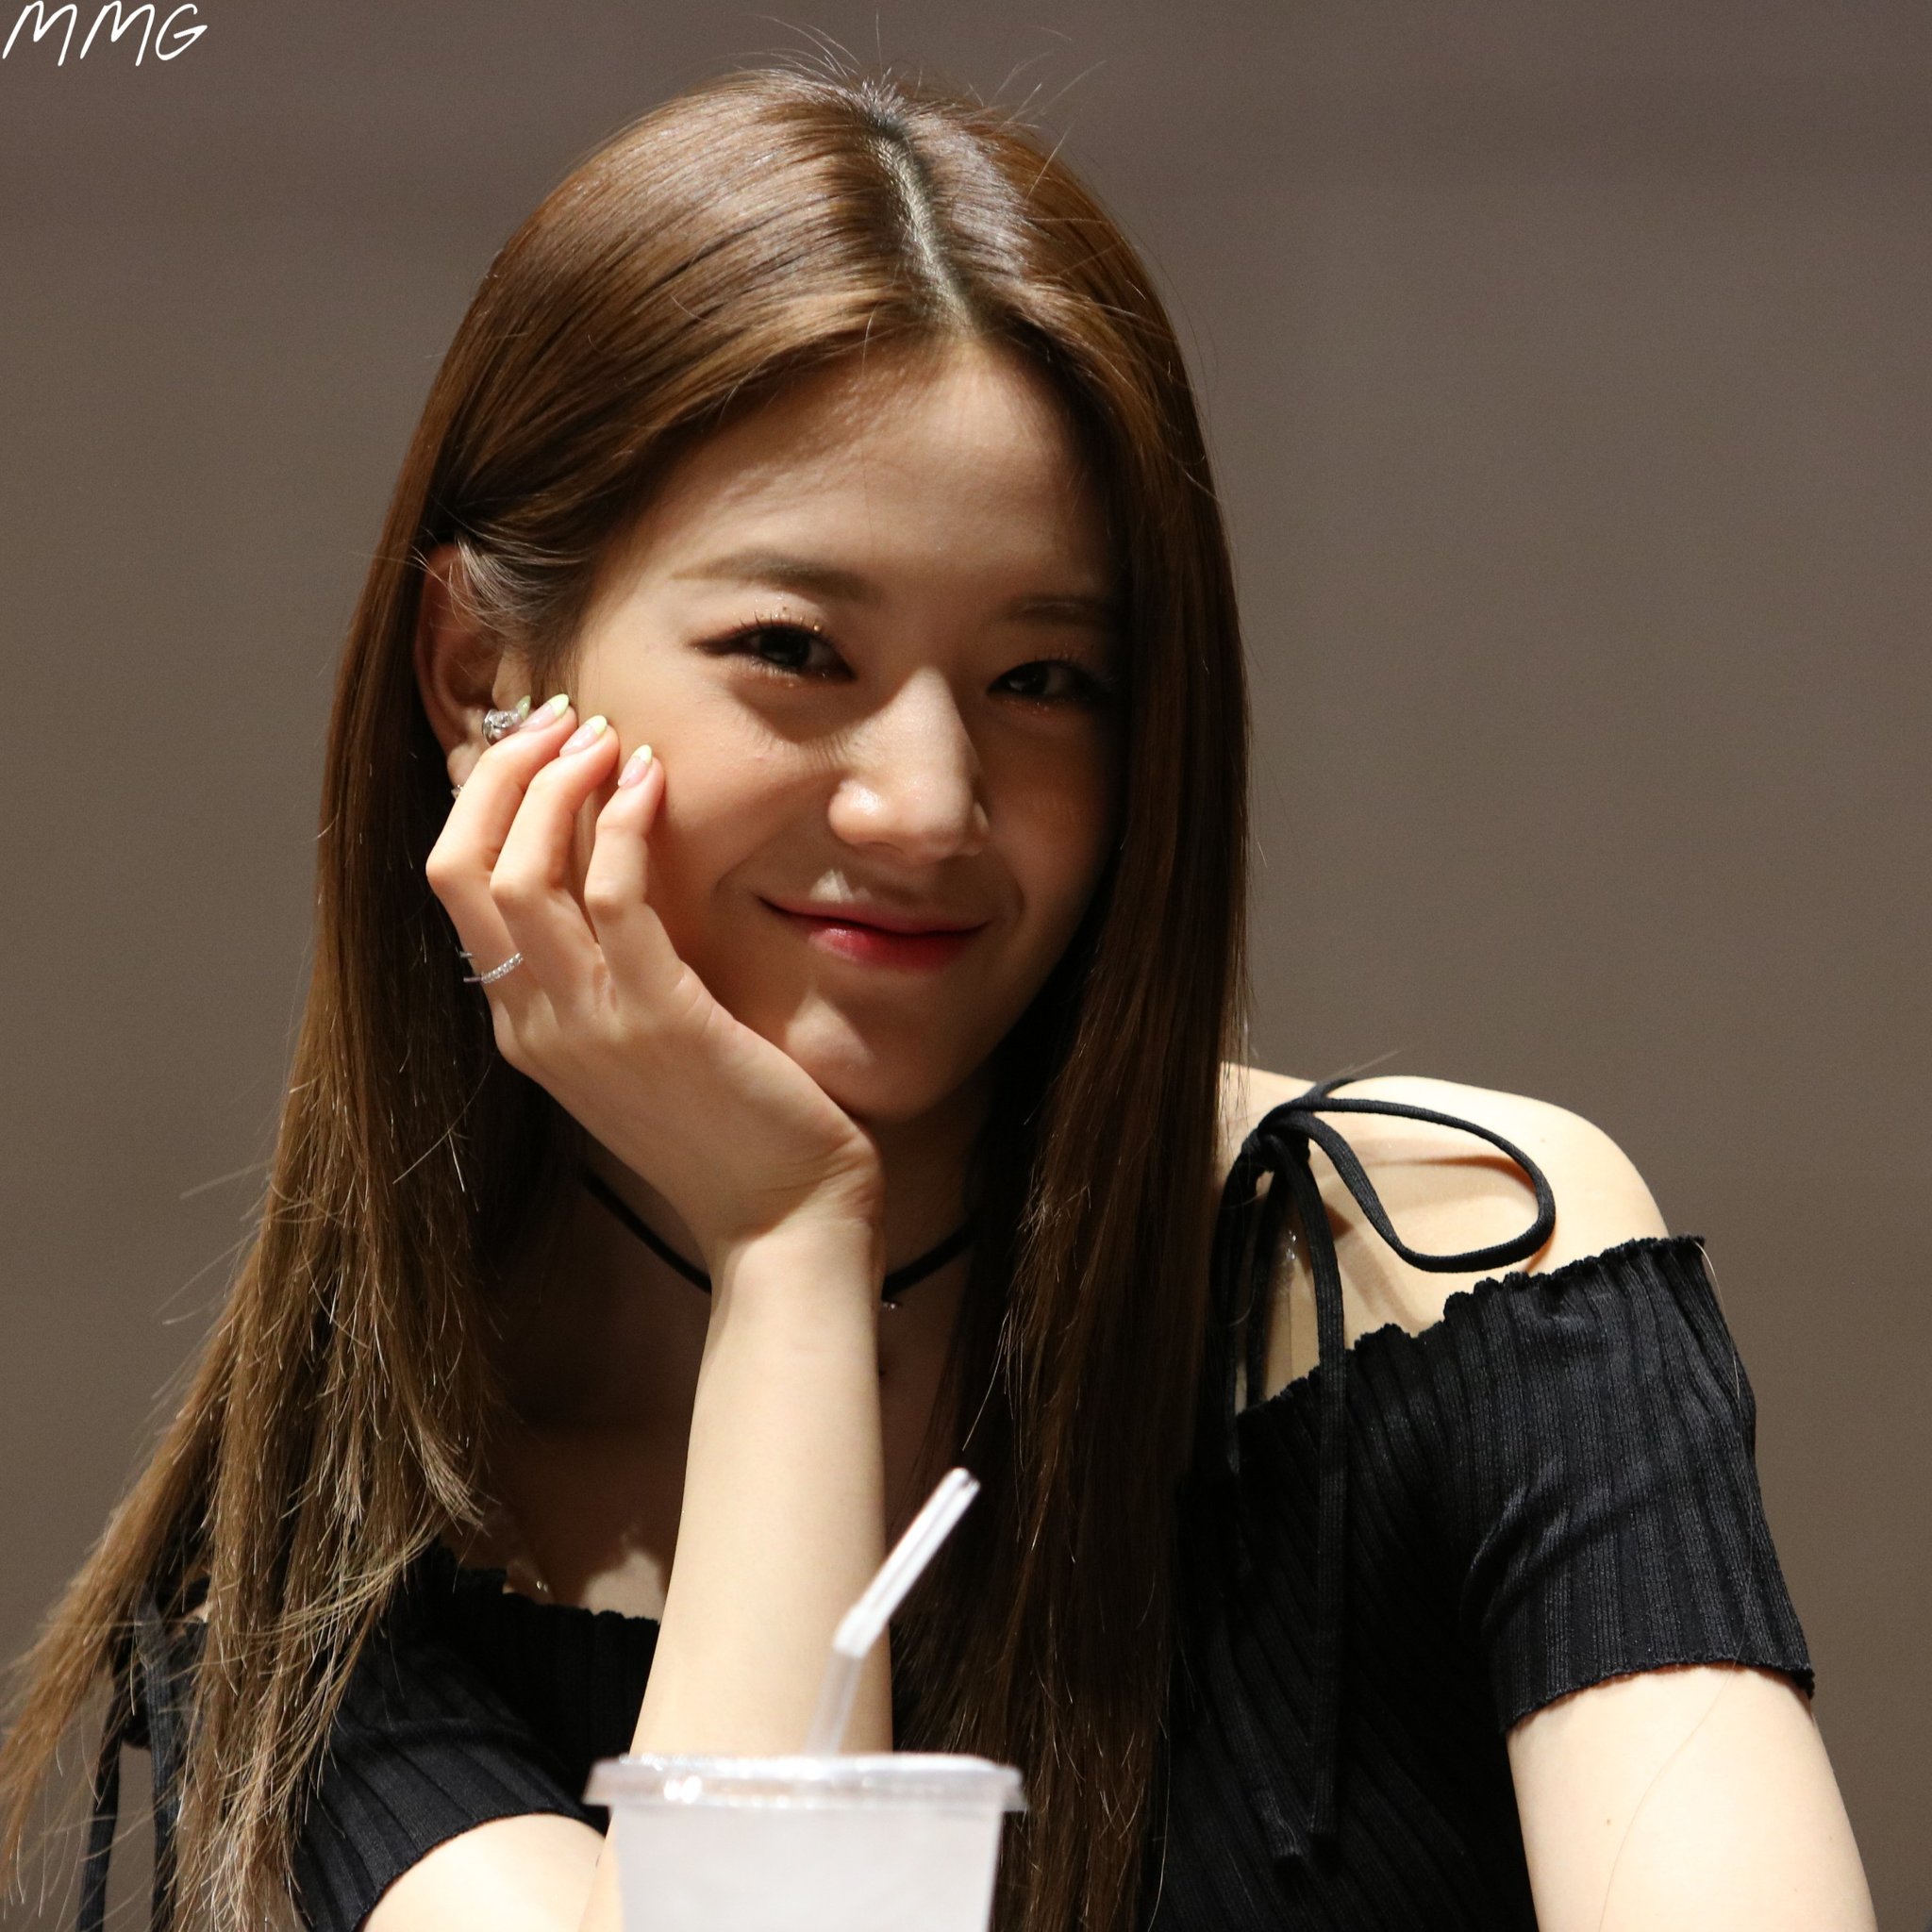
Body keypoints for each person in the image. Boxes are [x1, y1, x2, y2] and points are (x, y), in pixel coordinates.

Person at [0, 60, 1875, 1932]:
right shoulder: (338, 1564)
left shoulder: (1464, 1273)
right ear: (483, 668)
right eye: (795, 649)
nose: (925, 804)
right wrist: (789, 1239)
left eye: (1044, 680)